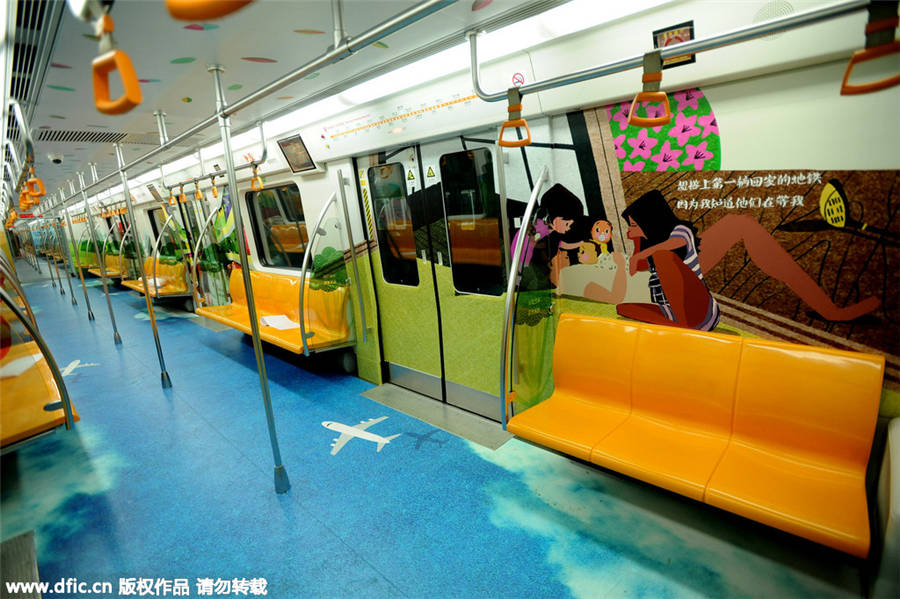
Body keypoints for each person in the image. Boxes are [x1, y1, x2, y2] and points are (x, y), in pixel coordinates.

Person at [617, 190, 719, 330]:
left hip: (700, 309)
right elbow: (636, 270)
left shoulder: (680, 230)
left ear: (648, 222)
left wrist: (641, 255)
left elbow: (676, 242)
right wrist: (637, 241)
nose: (630, 228)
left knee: (662, 255)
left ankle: (685, 324)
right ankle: (678, 324)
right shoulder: (651, 245)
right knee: (624, 308)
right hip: (672, 310)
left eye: (634, 225)